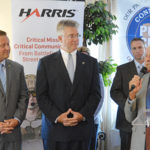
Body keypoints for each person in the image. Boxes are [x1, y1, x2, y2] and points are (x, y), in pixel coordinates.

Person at [36, 19, 101, 150]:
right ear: (60, 38)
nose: (76, 39)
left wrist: (81, 115)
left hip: (82, 132)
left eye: (77, 35)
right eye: (71, 36)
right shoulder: (45, 63)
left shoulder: (91, 63)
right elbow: (41, 96)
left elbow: (95, 94)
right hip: (55, 132)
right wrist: (58, 117)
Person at [110, 38, 145, 150]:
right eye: (134, 48)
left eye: (140, 47)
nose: (137, 50)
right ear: (131, 50)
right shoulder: (122, 69)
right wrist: (127, 105)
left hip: (146, 121)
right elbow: (114, 92)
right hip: (126, 123)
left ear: (145, 48)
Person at [0, 30, 28, 150]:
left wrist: (17, 119)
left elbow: (24, 97)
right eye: (2, 45)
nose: (7, 48)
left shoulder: (18, 69)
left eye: (8, 44)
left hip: (13, 135)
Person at [77, 46, 104, 150]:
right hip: (77, 121)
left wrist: (90, 116)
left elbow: (100, 99)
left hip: (93, 119)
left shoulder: (98, 75)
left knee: (91, 146)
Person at [124, 46, 150, 150]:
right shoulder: (142, 79)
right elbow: (129, 117)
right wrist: (132, 95)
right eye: (147, 56)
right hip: (141, 141)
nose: (147, 59)